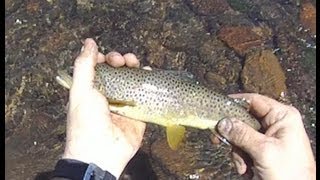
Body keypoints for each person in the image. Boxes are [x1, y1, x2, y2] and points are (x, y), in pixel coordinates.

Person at [51, 38, 316, 180]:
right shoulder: (102, 90)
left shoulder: (103, 83)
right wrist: (93, 157)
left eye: (73, 75)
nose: (70, 78)